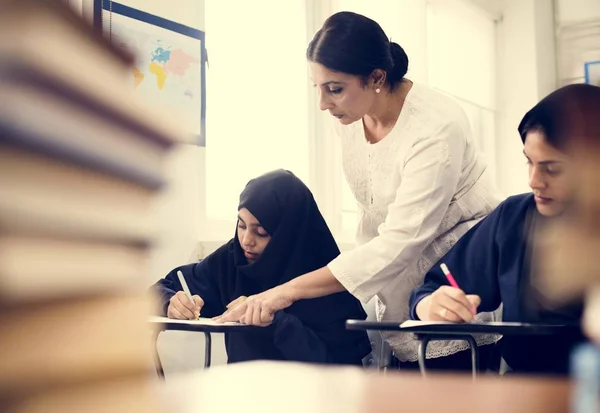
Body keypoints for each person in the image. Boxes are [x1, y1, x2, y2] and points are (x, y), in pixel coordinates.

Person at [215, 11, 503, 369]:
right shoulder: (351, 116)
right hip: (391, 290)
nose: (322, 103)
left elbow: (400, 241)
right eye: (317, 87)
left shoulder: (436, 128)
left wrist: (282, 294)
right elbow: (376, 219)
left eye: (334, 89)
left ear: (377, 78)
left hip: (449, 286)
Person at [409, 84, 600, 375]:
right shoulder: (514, 217)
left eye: (553, 168)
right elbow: (434, 287)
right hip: (525, 391)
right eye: (529, 161)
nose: (534, 181)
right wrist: (431, 305)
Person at [152, 169, 371, 365]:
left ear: (288, 233)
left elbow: (338, 371)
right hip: (245, 397)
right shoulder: (234, 259)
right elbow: (163, 287)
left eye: (261, 232)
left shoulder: (324, 276)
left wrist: (277, 320)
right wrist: (172, 302)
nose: (246, 240)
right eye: (241, 225)